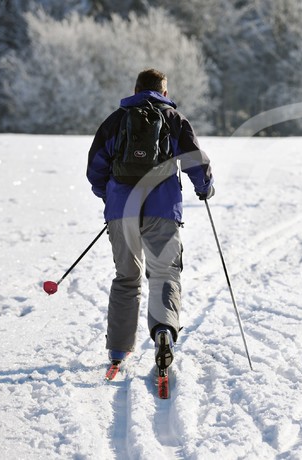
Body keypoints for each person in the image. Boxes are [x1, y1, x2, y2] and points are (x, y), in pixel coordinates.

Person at [86, 68, 214, 373]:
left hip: (122, 211)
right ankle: (164, 333)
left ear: (135, 89)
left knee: (126, 278)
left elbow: (95, 168)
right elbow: (195, 159)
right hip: (162, 208)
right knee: (164, 274)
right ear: (164, 92)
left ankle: (118, 350)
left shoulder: (117, 120)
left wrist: (111, 198)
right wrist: (204, 187)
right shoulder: (173, 119)